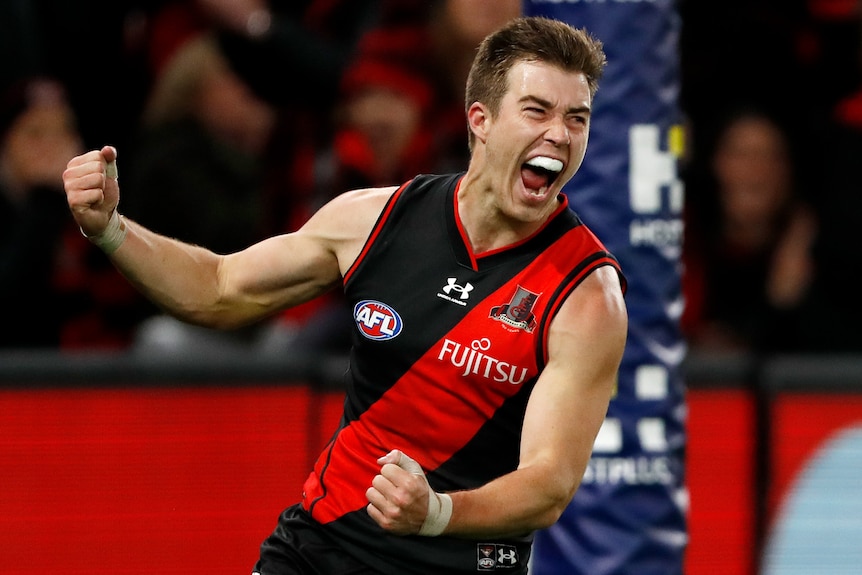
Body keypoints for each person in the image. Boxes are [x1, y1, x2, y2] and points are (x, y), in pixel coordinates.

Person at [63, 16, 628, 575]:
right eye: (538, 110)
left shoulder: (587, 295)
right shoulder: (374, 220)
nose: (560, 133)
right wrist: (111, 228)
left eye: (576, 118)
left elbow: (549, 484)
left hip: (455, 562)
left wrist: (436, 512)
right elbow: (217, 289)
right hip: (320, 548)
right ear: (480, 119)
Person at [681, 108, 817, 353]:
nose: (755, 171)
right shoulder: (685, 243)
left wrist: (783, 300)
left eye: (769, 157)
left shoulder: (814, 249)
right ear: (715, 164)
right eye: (740, 155)